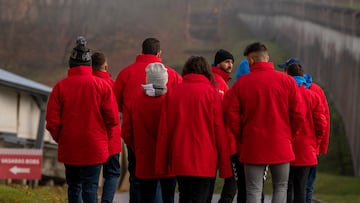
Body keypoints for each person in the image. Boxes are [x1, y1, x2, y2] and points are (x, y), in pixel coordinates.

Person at [223, 42, 306, 203]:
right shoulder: (286, 81)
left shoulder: (242, 84)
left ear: (251, 60)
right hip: (281, 142)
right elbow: (299, 114)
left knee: (253, 189)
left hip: (253, 143)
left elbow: (230, 113)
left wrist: (241, 134)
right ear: (267, 58)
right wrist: (290, 135)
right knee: (281, 187)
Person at [46, 36, 120, 203]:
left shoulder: (60, 87)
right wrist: (104, 137)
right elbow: (113, 118)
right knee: (90, 187)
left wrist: (62, 138)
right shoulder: (101, 86)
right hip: (94, 146)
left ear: (71, 63)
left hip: (70, 146)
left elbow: (52, 121)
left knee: (74, 187)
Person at [113, 37, 182, 203]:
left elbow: (115, 103)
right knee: (166, 184)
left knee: (138, 178)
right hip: (166, 142)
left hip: (138, 139)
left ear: (142, 51)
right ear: (159, 53)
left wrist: (132, 142)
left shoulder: (125, 73)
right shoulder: (173, 75)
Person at [156, 56, 233, 202]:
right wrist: (224, 165)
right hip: (206, 159)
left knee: (184, 196)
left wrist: (161, 164)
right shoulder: (212, 94)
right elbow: (219, 131)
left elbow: (164, 131)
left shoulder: (172, 93)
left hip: (180, 157)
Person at [122, 62, 176, 203]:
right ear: (165, 80)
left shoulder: (134, 103)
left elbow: (127, 133)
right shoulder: (172, 101)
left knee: (147, 197)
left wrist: (137, 148)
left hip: (144, 159)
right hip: (168, 162)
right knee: (168, 197)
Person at [278, 58, 330, 203]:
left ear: (287, 74)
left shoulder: (282, 95)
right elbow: (322, 123)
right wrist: (316, 142)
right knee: (302, 189)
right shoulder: (313, 95)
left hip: (285, 150)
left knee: (285, 188)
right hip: (307, 150)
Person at [91, 52, 122, 203]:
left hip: (91, 138)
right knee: (112, 173)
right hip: (112, 139)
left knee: (92, 176)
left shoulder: (87, 84)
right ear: (106, 66)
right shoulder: (114, 85)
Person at [208, 49, 237, 203]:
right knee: (232, 181)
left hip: (218, 138)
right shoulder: (217, 82)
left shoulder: (221, 81)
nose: (230, 65)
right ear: (218, 63)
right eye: (227, 62)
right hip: (221, 139)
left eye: (232, 62)